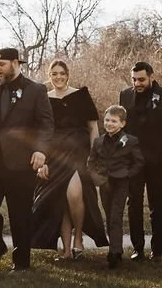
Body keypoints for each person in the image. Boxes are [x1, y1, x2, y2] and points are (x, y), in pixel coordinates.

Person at [0, 48, 54, 271]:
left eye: (2, 64)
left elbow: (46, 124)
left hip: (21, 161)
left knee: (20, 213)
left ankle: (22, 263)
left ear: (16, 63)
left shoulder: (36, 90)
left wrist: (41, 151)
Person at [32, 59, 108, 258]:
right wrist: (43, 162)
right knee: (61, 200)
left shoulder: (81, 95)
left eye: (62, 73)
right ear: (50, 76)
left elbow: (93, 128)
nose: (58, 77)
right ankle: (66, 250)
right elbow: (40, 132)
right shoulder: (44, 98)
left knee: (74, 194)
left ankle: (78, 239)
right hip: (54, 154)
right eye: (54, 73)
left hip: (78, 152)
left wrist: (95, 154)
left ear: (68, 74)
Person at [118, 61, 162, 261]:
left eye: (142, 79)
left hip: (157, 160)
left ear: (151, 77)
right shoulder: (125, 95)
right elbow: (122, 129)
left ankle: (157, 250)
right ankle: (138, 249)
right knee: (133, 203)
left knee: (157, 205)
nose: (137, 83)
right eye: (134, 79)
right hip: (133, 161)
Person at [87, 106, 144, 269]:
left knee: (115, 216)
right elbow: (91, 163)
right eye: (107, 120)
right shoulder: (98, 142)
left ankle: (115, 252)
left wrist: (127, 174)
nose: (110, 124)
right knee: (109, 215)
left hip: (121, 182)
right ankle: (114, 248)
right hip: (105, 183)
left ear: (123, 123)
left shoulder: (130, 140)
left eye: (114, 121)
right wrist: (97, 178)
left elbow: (139, 161)